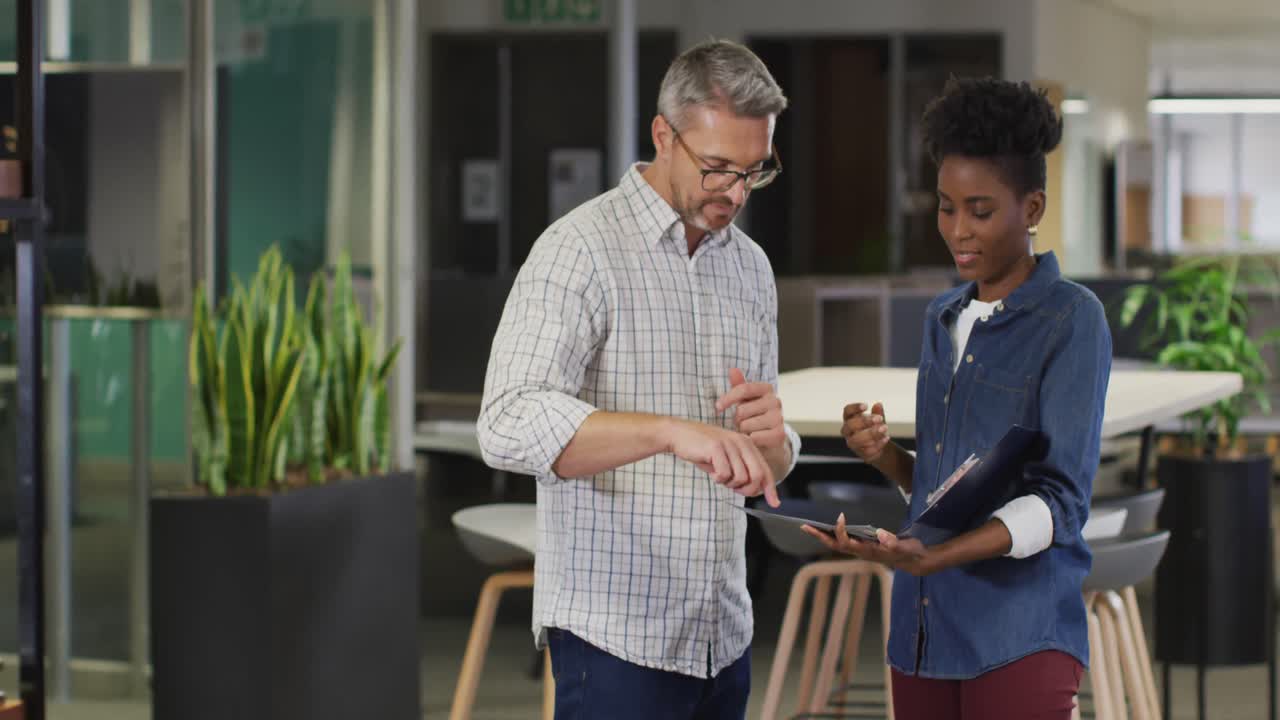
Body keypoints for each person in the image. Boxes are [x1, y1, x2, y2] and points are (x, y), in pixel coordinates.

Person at [477, 39, 799, 719]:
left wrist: (776, 443)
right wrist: (667, 432)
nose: (735, 193)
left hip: (721, 634)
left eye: (754, 171)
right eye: (716, 168)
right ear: (663, 134)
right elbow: (507, 422)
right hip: (616, 640)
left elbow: (764, 452)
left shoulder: (749, 267)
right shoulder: (580, 250)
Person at [802, 77, 1112, 719]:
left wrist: (936, 555)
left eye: (981, 209)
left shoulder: (1071, 320)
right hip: (922, 631)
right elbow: (946, 491)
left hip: (1020, 633)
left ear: (1031, 209)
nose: (958, 231)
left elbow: (1059, 504)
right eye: (946, 207)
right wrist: (887, 456)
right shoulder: (943, 317)